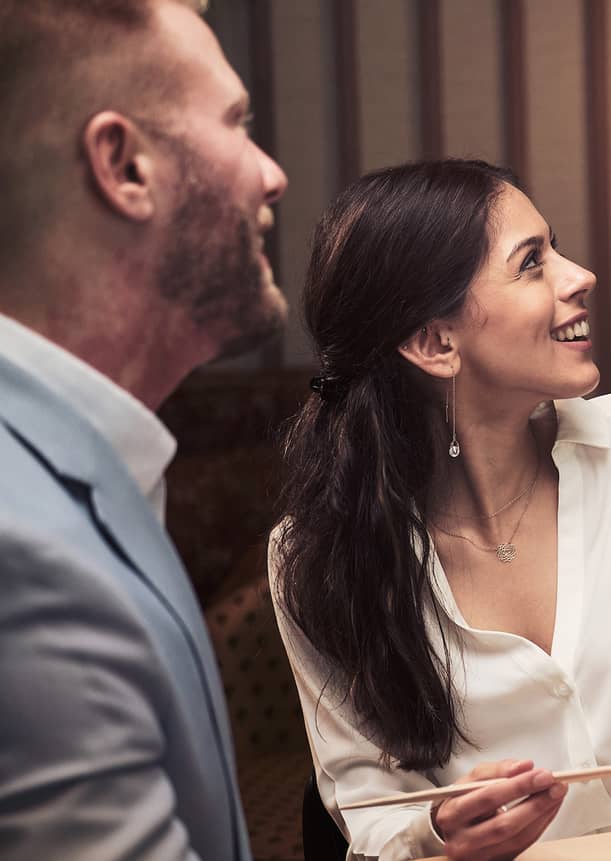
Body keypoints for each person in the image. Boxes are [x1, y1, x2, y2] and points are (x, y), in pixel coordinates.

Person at [269, 158, 611, 861]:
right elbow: (368, 811)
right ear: (436, 342)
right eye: (531, 263)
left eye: (553, 247)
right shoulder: (315, 555)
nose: (579, 275)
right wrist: (436, 840)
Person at [0, 0, 289, 857]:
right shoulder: (23, 555)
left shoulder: (88, 461)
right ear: (126, 165)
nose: (271, 173)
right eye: (236, 122)